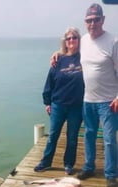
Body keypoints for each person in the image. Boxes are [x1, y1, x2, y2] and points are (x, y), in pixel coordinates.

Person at [76, 3, 118, 187]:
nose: (92, 24)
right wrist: (56, 54)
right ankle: (89, 167)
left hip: (109, 101)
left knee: (109, 139)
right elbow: (69, 51)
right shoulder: (84, 40)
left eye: (96, 20)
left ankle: (111, 173)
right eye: (88, 20)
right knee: (89, 135)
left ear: (103, 20)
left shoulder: (113, 41)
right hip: (88, 100)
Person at [34, 27, 84, 175]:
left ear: (78, 39)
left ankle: (68, 164)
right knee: (53, 136)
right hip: (58, 105)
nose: (71, 40)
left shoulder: (84, 57)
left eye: (74, 37)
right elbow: (50, 82)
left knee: (72, 138)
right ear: (65, 42)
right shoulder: (58, 59)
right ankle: (46, 162)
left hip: (77, 106)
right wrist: (47, 102)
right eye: (68, 38)